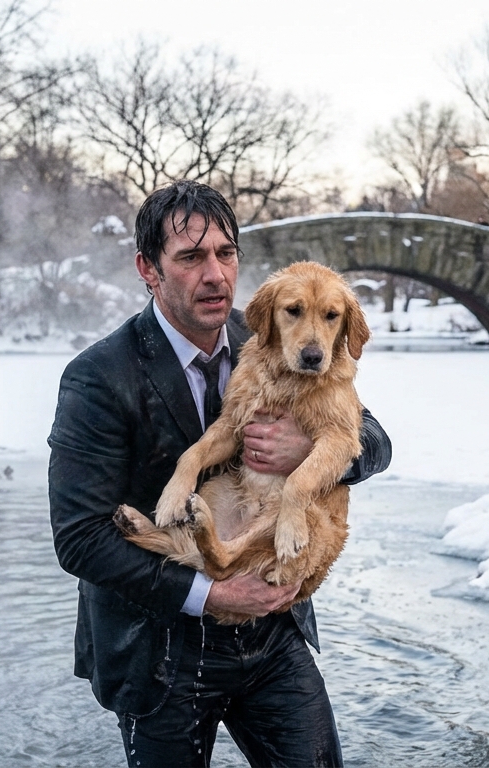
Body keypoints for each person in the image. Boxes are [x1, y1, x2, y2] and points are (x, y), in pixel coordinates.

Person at [47, 180, 393, 766]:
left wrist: (303, 450)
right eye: (190, 257)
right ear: (148, 269)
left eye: (225, 253)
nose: (215, 275)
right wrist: (212, 594)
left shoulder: (271, 330)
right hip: (159, 650)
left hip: (270, 632)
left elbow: (375, 442)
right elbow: (79, 539)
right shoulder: (98, 378)